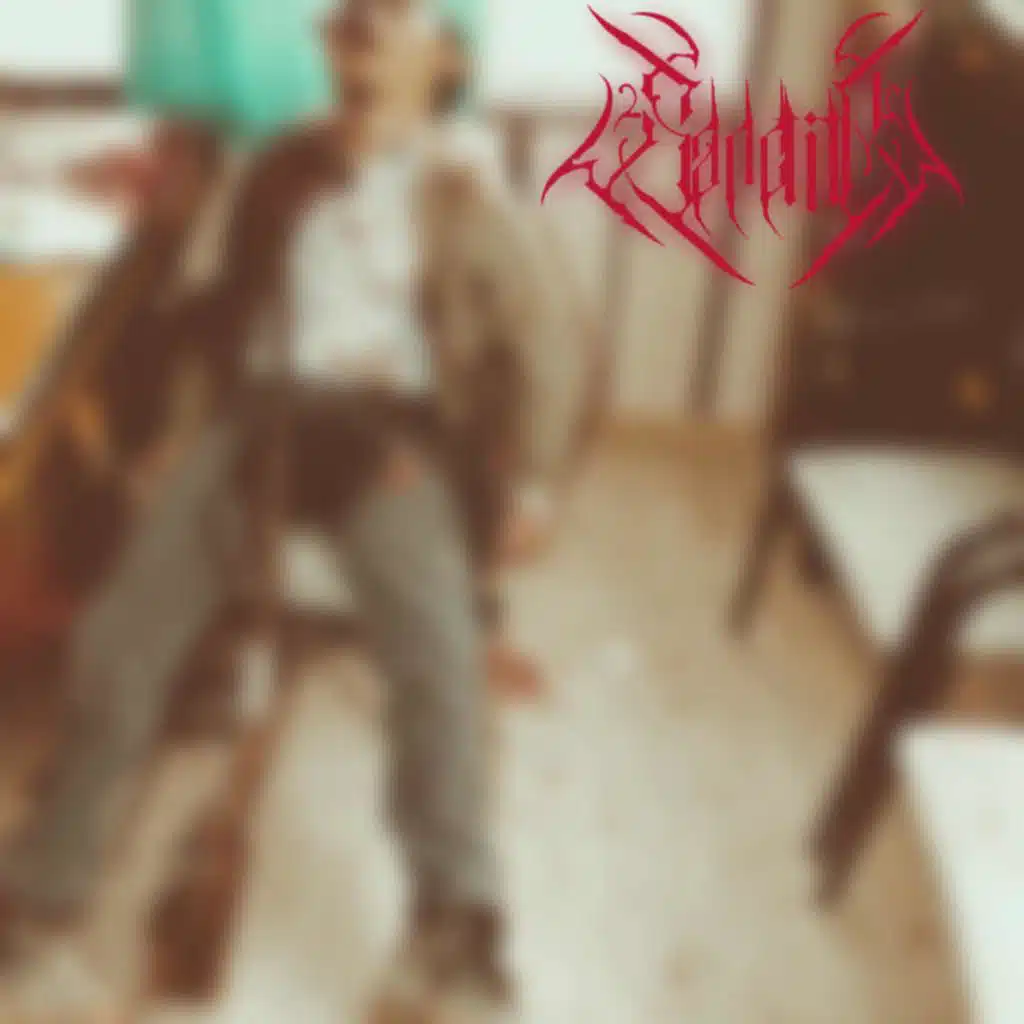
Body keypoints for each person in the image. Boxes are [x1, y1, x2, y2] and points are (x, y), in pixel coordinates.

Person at [0, 1, 597, 1020]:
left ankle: (456, 922)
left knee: (437, 652)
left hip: (390, 437)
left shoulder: (465, 191)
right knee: (117, 641)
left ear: (443, 58)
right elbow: (214, 319)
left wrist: (532, 484)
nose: (355, 52)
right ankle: (38, 900)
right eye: (341, 32)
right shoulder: (276, 170)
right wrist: (175, 438)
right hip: (260, 422)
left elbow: (550, 350)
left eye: (385, 29)